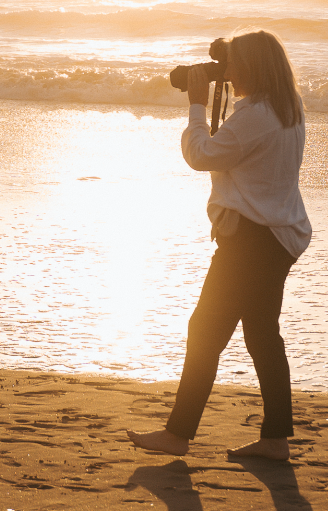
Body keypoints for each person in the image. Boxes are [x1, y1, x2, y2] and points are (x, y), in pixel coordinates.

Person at [129, 30, 311, 461]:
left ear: (250, 67)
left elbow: (202, 155)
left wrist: (196, 102)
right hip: (278, 234)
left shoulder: (256, 115)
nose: (226, 74)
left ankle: (178, 434)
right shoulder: (287, 107)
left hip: (253, 239)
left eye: (232, 66)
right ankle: (275, 440)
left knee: (205, 332)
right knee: (263, 336)